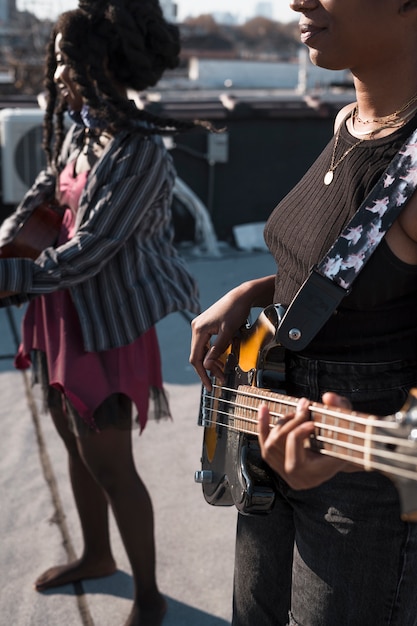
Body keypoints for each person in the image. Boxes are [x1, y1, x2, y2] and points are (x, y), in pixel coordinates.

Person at [190, 0, 417, 624]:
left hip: (362, 497)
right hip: (271, 448)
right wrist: (254, 293)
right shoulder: (352, 124)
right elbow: (355, 272)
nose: (297, 0)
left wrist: (354, 448)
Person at [0, 2, 208, 625]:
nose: (57, 72)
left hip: (105, 326)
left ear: (103, 62)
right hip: (59, 311)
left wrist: (12, 276)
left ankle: (149, 594)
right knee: (73, 441)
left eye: (67, 61)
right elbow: (43, 190)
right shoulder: (84, 127)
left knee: (113, 465)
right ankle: (96, 555)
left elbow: (91, 249)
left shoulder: (140, 151)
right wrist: (8, 239)